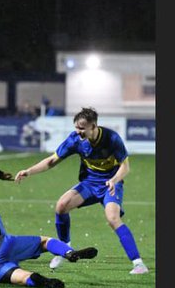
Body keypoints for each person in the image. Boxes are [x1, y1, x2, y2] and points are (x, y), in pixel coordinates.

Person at [14, 107, 148, 274]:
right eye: (76, 127)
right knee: (61, 205)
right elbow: (52, 160)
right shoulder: (75, 140)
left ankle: (138, 263)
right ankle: (65, 250)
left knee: (113, 218)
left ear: (93, 126)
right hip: (89, 184)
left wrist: (114, 180)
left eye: (82, 128)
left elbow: (125, 167)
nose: (78, 131)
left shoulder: (112, 138)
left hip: (110, 184)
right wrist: (29, 171)